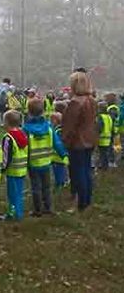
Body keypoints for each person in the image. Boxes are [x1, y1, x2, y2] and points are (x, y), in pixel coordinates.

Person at [23, 98, 67, 217]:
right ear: (43, 111)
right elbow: (57, 143)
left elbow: (23, 145)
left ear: (29, 111)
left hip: (33, 163)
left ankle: (37, 210)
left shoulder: (26, 129)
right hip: (46, 162)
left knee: (36, 187)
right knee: (47, 187)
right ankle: (48, 207)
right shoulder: (48, 127)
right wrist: (64, 154)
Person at [62, 71, 98, 212]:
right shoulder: (92, 100)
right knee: (86, 170)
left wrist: (64, 141)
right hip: (90, 139)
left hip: (78, 141)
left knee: (79, 172)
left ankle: (81, 203)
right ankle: (87, 200)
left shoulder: (75, 102)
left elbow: (69, 125)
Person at [2, 110, 29, 221]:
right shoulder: (23, 135)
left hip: (12, 170)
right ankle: (19, 212)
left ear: (7, 123)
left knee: (12, 194)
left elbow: (6, 155)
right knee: (19, 192)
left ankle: (14, 214)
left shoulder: (8, 138)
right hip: (22, 169)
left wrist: (3, 168)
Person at [50, 112, 69, 190]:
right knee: (61, 169)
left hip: (57, 156)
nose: (50, 122)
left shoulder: (57, 131)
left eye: (52, 120)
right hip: (61, 155)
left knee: (58, 171)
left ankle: (60, 184)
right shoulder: (63, 129)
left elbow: (57, 143)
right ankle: (63, 181)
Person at [97, 101, 113, 171]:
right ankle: (105, 167)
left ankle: (103, 167)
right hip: (108, 138)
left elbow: (99, 128)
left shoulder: (101, 117)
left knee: (102, 154)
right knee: (105, 153)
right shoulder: (109, 117)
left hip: (102, 138)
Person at [106, 93, 119, 168]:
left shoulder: (112, 108)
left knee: (110, 146)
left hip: (111, 129)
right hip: (112, 129)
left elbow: (112, 119)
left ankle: (112, 161)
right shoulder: (112, 107)